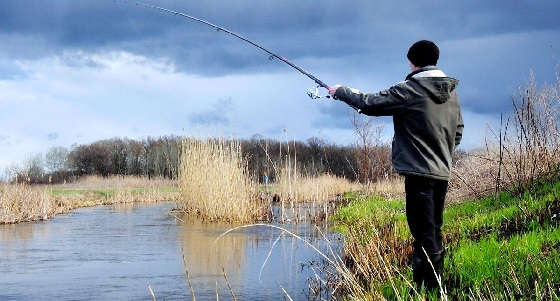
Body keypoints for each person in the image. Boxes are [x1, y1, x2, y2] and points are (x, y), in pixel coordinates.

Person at [328, 40, 463, 290]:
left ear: (413, 62)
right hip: (442, 172)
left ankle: (431, 289)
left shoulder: (410, 89)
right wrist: (441, 152)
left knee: (422, 231)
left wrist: (340, 91)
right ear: (435, 60)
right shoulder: (451, 93)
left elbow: (369, 103)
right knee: (433, 229)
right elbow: (458, 132)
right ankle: (429, 287)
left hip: (418, 173)